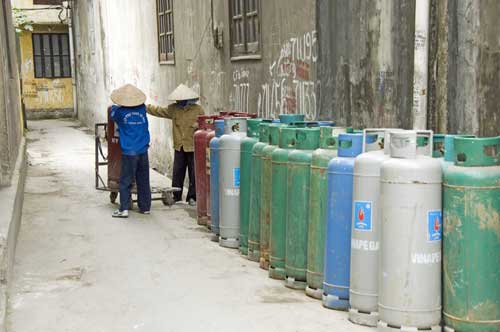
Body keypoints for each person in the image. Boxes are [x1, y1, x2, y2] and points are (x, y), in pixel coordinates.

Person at [146, 84, 204, 206]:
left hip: (193, 145)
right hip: (179, 146)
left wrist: (198, 125)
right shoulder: (174, 109)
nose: (179, 102)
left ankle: (192, 197)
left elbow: (204, 124)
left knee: (194, 173)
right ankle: (176, 195)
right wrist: (145, 107)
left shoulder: (198, 110)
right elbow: (159, 111)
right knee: (178, 172)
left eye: (181, 100)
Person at [110, 84, 151, 218]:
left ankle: (124, 209)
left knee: (125, 180)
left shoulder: (120, 112)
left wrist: (117, 106)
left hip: (129, 151)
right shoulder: (142, 109)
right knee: (143, 180)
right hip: (143, 150)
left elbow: (112, 114)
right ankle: (145, 207)